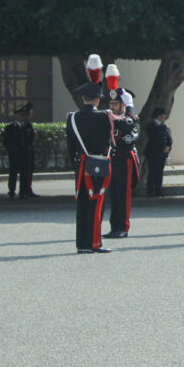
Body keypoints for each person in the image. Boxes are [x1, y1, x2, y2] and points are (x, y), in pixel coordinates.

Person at [66, 55, 114, 253]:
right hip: (98, 164)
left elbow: (70, 146)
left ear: (83, 98)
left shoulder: (73, 118)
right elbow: (110, 142)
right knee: (97, 204)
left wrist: (76, 164)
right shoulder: (104, 117)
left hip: (81, 164)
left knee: (83, 205)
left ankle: (81, 244)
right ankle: (95, 243)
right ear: (96, 99)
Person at [104, 65, 140, 238]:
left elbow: (131, 129)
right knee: (114, 194)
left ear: (123, 104)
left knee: (123, 195)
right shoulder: (110, 117)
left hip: (125, 159)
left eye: (115, 103)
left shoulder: (129, 119)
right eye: (111, 103)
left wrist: (129, 111)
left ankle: (123, 227)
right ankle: (114, 226)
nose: (112, 106)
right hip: (113, 159)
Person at [3, 103, 36, 199]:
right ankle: (12, 191)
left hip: (24, 153)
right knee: (13, 173)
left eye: (24, 115)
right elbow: (6, 141)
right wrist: (10, 150)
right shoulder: (10, 128)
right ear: (16, 116)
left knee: (24, 174)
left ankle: (23, 192)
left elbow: (30, 140)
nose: (23, 117)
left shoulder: (28, 127)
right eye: (21, 115)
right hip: (14, 154)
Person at [145, 107, 172, 197]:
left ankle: (158, 191)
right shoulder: (151, 126)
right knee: (152, 172)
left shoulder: (164, 126)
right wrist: (161, 148)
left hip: (162, 154)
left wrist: (168, 146)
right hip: (153, 153)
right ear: (159, 116)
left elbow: (168, 138)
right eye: (162, 115)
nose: (164, 117)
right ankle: (150, 191)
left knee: (159, 172)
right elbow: (154, 139)